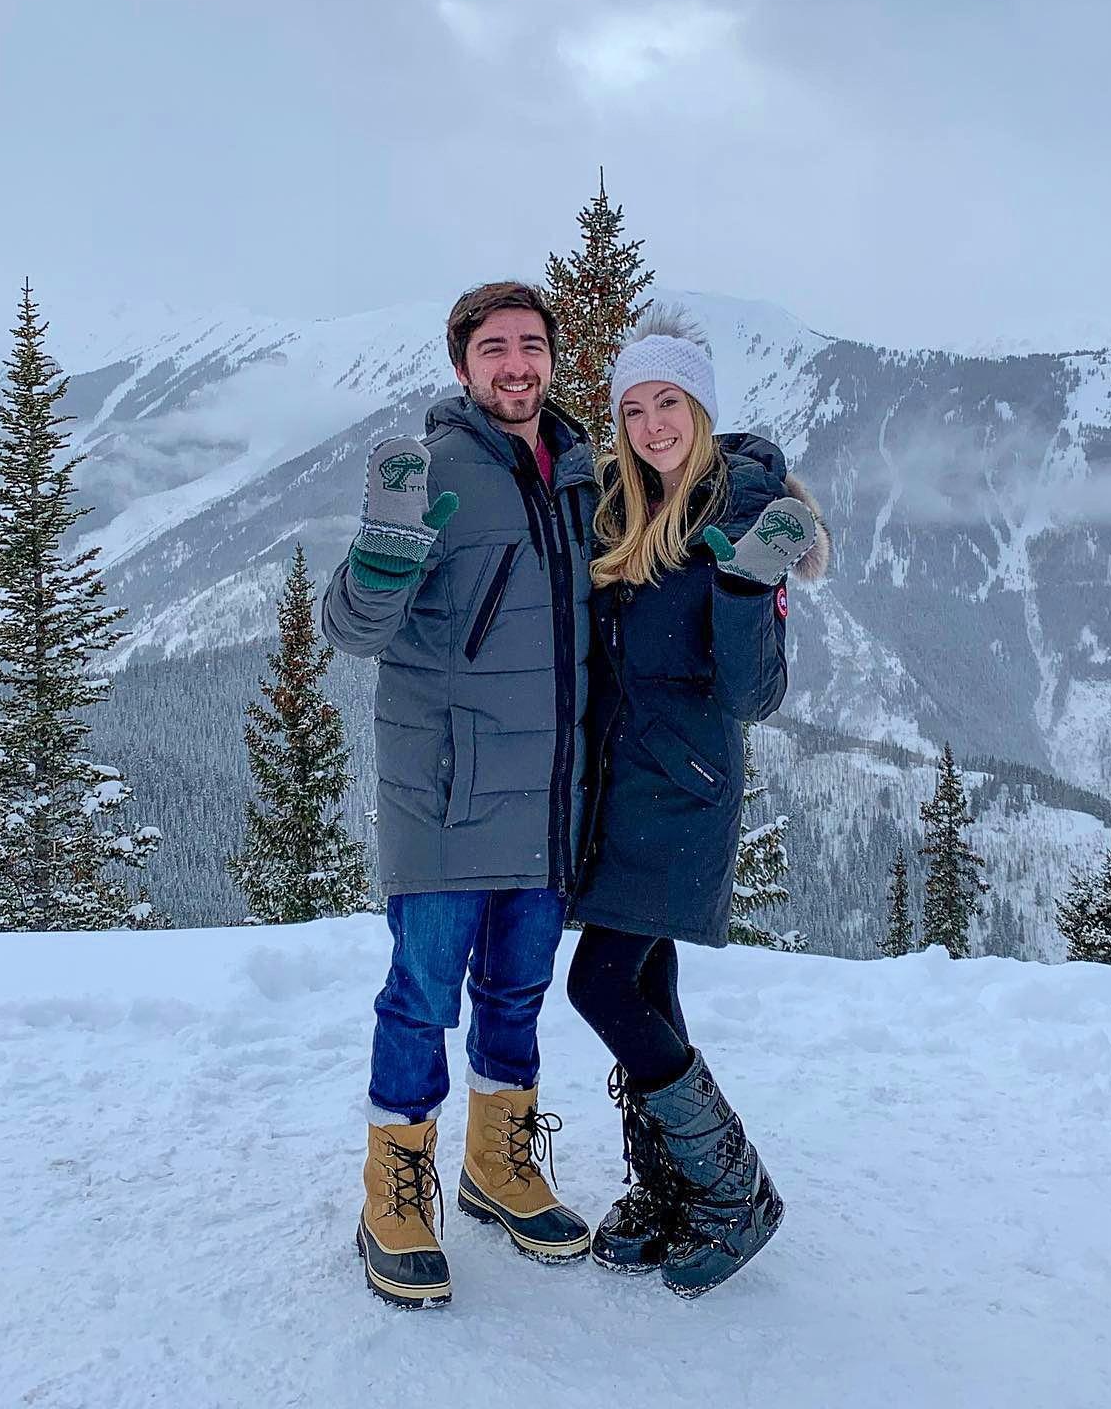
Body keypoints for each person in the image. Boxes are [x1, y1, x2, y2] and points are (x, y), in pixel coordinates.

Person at [321, 282, 596, 1309]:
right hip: (446, 791)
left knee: (519, 995)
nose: (516, 364)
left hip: (546, 797)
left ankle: (497, 1165)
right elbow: (351, 629)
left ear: (553, 359)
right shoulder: (431, 469)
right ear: (463, 367)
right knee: (423, 996)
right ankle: (393, 1188)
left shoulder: (581, 474)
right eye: (495, 349)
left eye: (532, 346)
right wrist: (382, 557)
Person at [566, 306, 829, 1298]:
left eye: (668, 403)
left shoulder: (748, 512)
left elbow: (751, 695)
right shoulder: (628, 510)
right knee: (647, 984)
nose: (651, 424)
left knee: (597, 984)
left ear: (701, 409)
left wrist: (741, 586)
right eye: (633, 408)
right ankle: (670, 1183)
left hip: (684, 791)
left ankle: (733, 1193)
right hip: (620, 788)